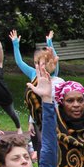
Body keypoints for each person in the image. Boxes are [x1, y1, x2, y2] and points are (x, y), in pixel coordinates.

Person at [10, 29, 64, 158]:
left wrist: (49, 42)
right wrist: (15, 44)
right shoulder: (33, 73)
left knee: (53, 144)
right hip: (37, 116)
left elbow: (53, 59)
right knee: (40, 144)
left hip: (53, 116)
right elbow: (19, 62)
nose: (39, 66)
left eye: (43, 63)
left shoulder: (53, 75)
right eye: (36, 62)